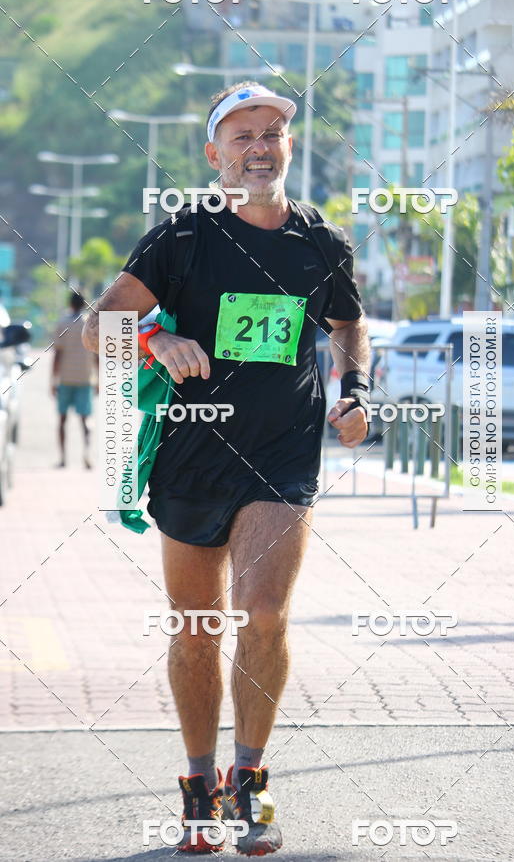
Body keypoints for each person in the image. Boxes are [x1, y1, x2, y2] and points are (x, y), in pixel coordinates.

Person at [82, 82, 370, 856]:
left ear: (288, 145)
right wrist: (153, 341)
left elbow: (348, 324)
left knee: (265, 613)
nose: (259, 146)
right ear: (215, 154)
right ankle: (199, 780)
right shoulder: (180, 237)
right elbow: (95, 328)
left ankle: (250, 779)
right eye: (242, 135)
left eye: (272, 132)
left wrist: (357, 393)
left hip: (281, 460)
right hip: (190, 457)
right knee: (196, 629)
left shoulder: (322, 242)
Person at [52, 291, 97, 469]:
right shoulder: (90, 324)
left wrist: (53, 380)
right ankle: (87, 453)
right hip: (86, 378)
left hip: (65, 377)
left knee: (62, 419)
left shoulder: (63, 323)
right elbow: (96, 355)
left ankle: (63, 458)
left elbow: (57, 353)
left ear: (70, 304)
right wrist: (99, 380)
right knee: (85, 418)